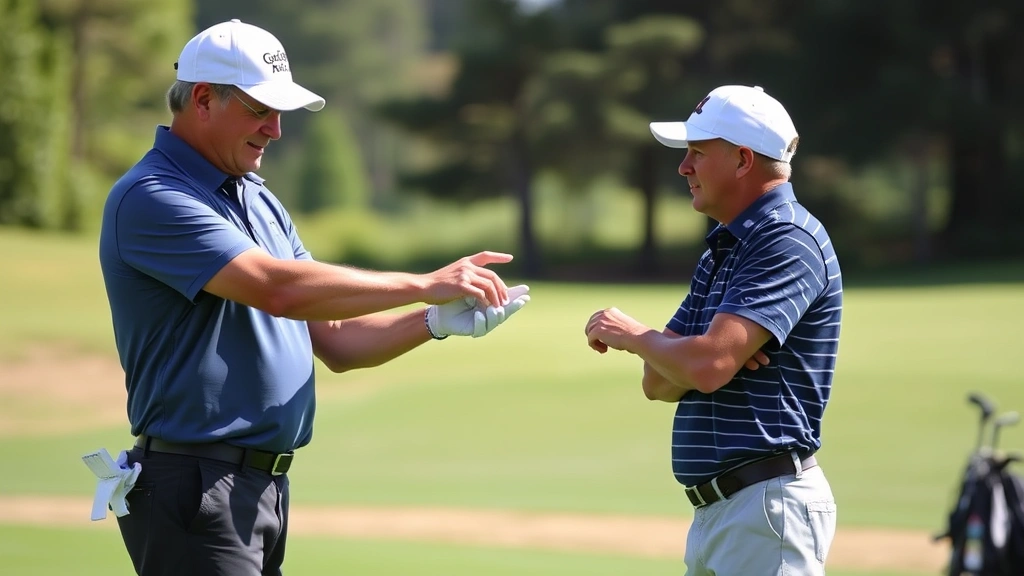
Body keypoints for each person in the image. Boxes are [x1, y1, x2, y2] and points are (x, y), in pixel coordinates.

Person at [96, 19, 530, 576]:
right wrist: (424, 282)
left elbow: (337, 339)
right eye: (260, 110)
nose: (276, 130)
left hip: (260, 487)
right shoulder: (152, 196)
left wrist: (432, 321)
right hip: (196, 485)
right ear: (203, 99)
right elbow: (277, 290)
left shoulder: (258, 199)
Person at [584, 85, 841, 574]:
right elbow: (657, 382)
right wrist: (702, 351)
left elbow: (704, 366)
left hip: (766, 511)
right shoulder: (726, 246)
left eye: (697, 153)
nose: (684, 167)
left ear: (743, 160)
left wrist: (636, 336)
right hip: (725, 515)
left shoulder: (786, 237)